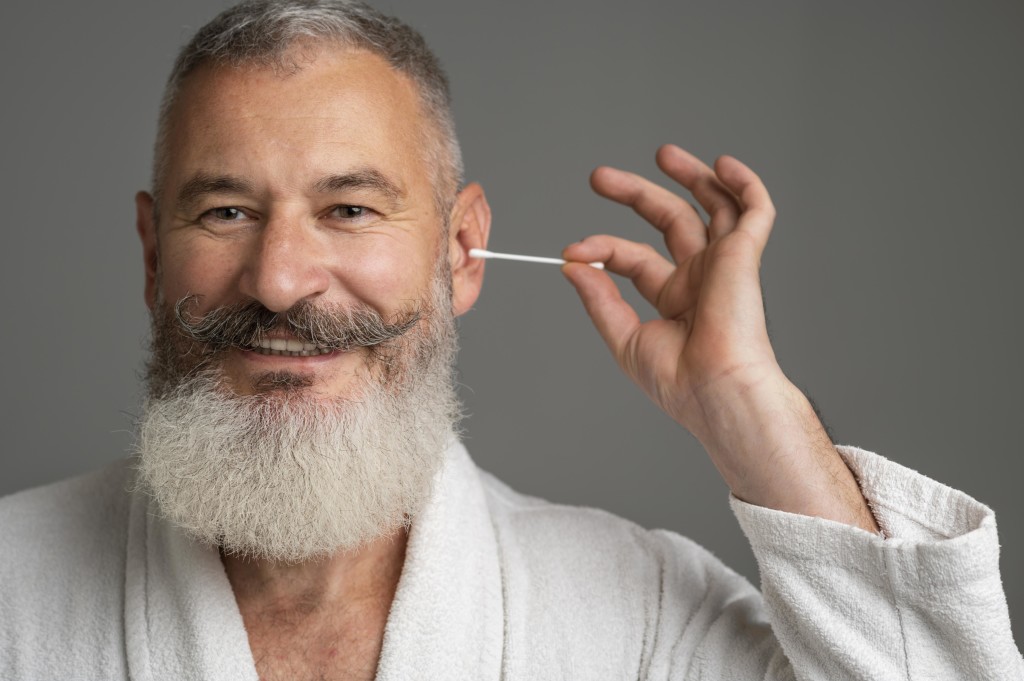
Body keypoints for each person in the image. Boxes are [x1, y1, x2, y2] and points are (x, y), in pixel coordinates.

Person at [0, 1, 1019, 679]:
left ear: (463, 251)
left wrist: (749, 409)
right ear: (150, 254)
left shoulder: (644, 617)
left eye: (350, 210)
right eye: (225, 212)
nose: (277, 281)